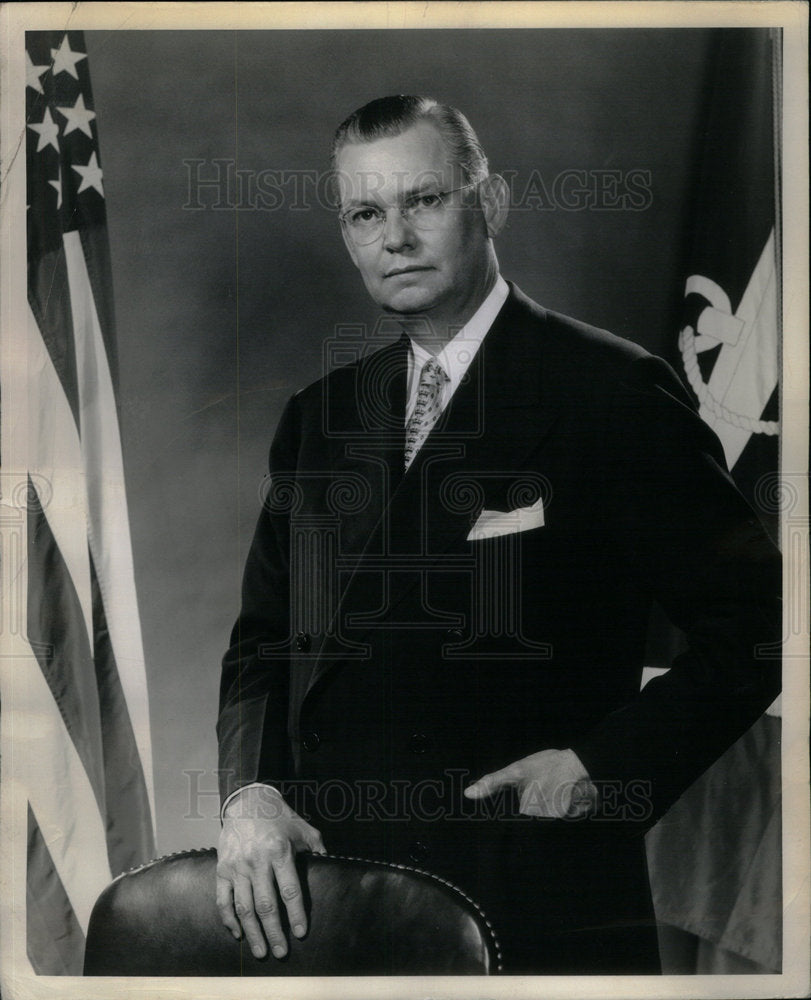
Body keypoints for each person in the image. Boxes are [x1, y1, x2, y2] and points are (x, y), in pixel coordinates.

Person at [214, 95, 781, 974]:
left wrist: (600, 766)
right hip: (336, 900)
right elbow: (263, 642)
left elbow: (761, 625)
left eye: (424, 200)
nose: (394, 236)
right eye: (366, 213)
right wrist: (250, 796)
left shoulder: (612, 393)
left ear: (492, 204)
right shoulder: (320, 417)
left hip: (531, 903)